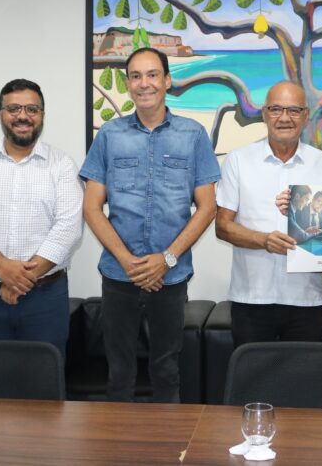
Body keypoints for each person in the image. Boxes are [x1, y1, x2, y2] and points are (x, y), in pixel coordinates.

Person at [80, 48, 220, 403]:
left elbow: (207, 208)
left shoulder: (193, 135)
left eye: (153, 74)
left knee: (167, 371)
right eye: (136, 76)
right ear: (128, 83)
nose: (145, 83)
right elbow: (92, 208)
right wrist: (128, 261)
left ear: (167, 80)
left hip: (170, 277)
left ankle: (167, 439)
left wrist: (166, 259)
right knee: (119, 375)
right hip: (118, 275)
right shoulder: (109, 135)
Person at [0, 79, 82, 352]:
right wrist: (2, 267)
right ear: (0, 114)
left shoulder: (62, 165)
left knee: (44, 376)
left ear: (42, 115)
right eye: (13, 109)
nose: (23, 116)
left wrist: (19, 280)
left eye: (32, 109)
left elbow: (68, 228)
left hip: (46, 298)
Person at [216, 81, 322, 348]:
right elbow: (223, 227)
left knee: (302, 374)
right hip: (251, 299)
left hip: (306, 300)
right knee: (251, 374)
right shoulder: (238, 160)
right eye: (276, 109)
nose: (285, 118)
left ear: (306, 116)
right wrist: (264, 240)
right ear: (264, 114)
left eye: (294, 110)